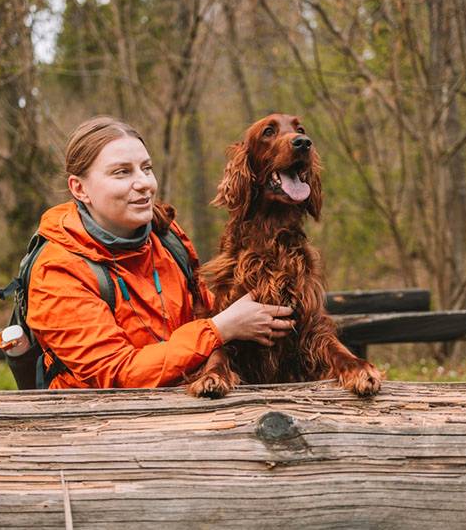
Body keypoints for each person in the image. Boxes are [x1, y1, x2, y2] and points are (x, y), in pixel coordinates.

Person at [26, 116, 295, 389]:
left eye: (146, 168)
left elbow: (201, 307)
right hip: (96, 422)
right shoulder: (57, 272)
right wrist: (220, 329)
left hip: (187, 404)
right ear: (79, 188)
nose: (144, 183)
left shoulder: (165, 236)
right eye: (122, 172)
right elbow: (117, 373)